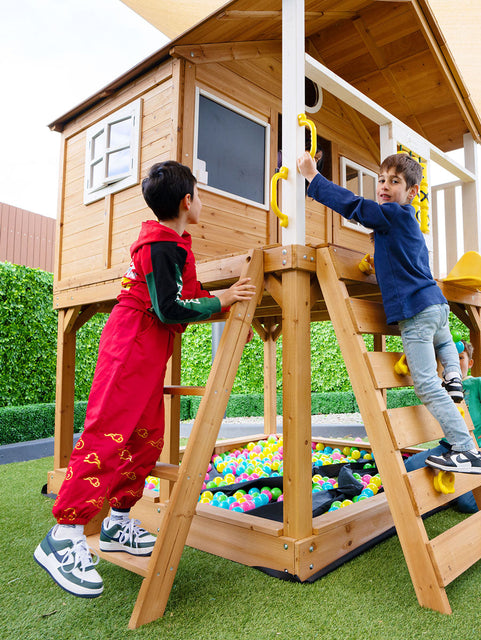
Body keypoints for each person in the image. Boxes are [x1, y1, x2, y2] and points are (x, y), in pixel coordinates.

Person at [34, 161, 256, 598]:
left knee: (147, 435)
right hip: (131, 343)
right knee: (108, 432)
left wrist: (226, 303)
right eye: (199, 193)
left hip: (148, 347)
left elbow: (183, 297)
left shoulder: (175, 243)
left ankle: (118, 523)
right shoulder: (159, 245)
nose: (202, 200)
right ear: (187, 202)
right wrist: (222, 298)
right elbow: (169, 308)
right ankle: (63, 535)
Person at [297, 151, 481, 475]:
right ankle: (454, 376)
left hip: (417, 314)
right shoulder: (407, 226)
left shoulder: (392, 214)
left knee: (425, 386)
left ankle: (466, 450)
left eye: (393, 181)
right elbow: (402, 261)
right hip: (437, 307)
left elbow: (353, 205)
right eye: (381, 180)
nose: (383, 186)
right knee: (443, 345)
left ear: (410, 192)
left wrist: (314, 178)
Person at [405, 340, 481, 512]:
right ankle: (463, 477)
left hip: (472, 451)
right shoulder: (441, 388)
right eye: (448, 359)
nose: (455, 363)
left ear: (470, 363)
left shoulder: (477, 384)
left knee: (468, 505)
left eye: (460, 357)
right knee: (409, 467)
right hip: (446, 448)